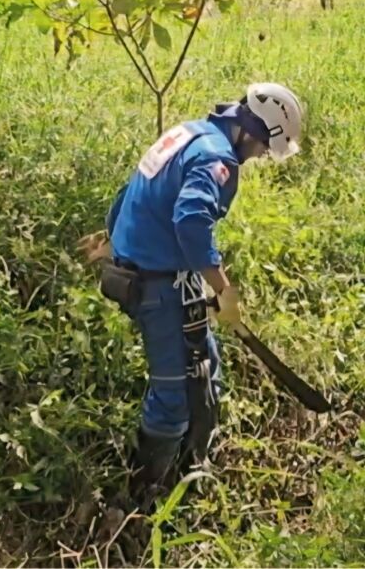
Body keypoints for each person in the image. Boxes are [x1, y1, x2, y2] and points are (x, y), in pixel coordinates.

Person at [79, 82, 305, 501]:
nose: (258, 157)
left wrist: (113, 237)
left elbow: (129, 192)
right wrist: (224, 289)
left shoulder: (188, 132)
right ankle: (142, 494)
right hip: (158, 286)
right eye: (262, 148)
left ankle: (191, 472)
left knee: (205, 372)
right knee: (174, 397)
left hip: (165, 277)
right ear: (254, 132)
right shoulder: (217, 158)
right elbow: (190, 221)